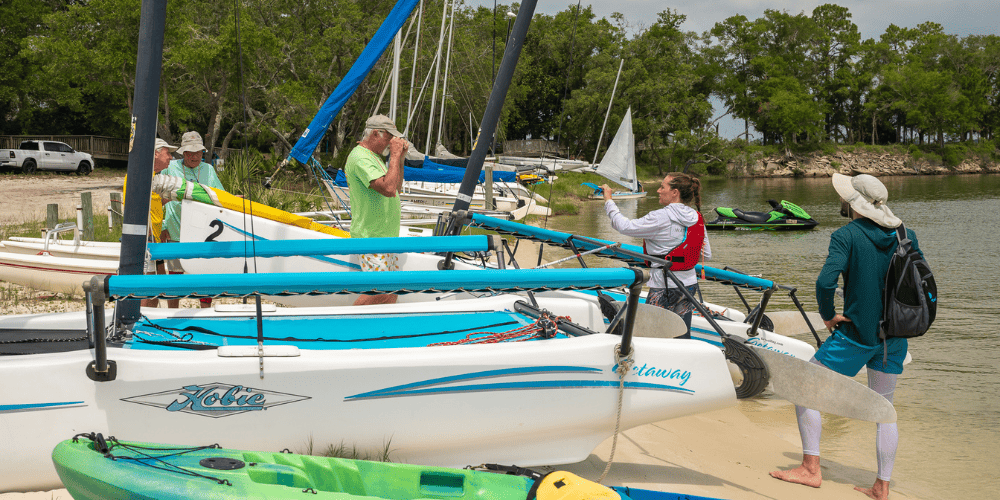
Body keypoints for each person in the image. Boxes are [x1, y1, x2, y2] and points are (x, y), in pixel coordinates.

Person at [770, 173, 922, 500]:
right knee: (884, 409)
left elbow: (825, 283)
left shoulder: (846, 235)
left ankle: (810, 469)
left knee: (804, 387)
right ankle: (882, 485)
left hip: (854, 334)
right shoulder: (904, 234)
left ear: (853, 202)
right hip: (894, 336)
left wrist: (827, 314)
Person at [601, 172, 710, 337]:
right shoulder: (697, 217)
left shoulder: (661, 216)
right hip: (688, 285)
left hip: (663, 286)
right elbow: (706, 254)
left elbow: (624, 227)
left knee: (649, 335)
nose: (658, 191)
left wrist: (608, 200)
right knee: (680, 333)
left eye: (662, 187)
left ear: (675, 192)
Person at [344, 114, 409, 306]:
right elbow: (388, 190)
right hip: (371, 236)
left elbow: (396, 187)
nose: (391, 142)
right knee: (380, 291)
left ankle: (378, 330)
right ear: (375, 134)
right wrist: (395, 155)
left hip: (386, 236)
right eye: (389, 137)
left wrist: (400, 159)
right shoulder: (360, 157)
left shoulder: (374, 157)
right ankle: (347, 325)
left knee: (392, 291)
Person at [161, 131, 225, 308]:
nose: (195, 156)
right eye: (190, 152)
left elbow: (220, 197)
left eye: (198, 152)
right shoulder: (170, 167)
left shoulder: (208, 169)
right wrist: (163, 225)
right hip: (175, 228)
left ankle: (205, 312)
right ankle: (173, 313)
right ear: (183, 153)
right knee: (175, 275)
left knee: (205, 275)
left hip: (203, 230)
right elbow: (159, 199)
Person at [122, 137, 176, 308]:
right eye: (168, 153)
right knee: (150, 287)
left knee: (159, 285)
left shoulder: (152, 177)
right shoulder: (140, 176)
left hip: (155, 239)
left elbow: (155, 202)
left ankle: (149, 319)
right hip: (147, 239)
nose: (171, 158)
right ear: (156, 153)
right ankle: (143, 322)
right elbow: (135, 205)